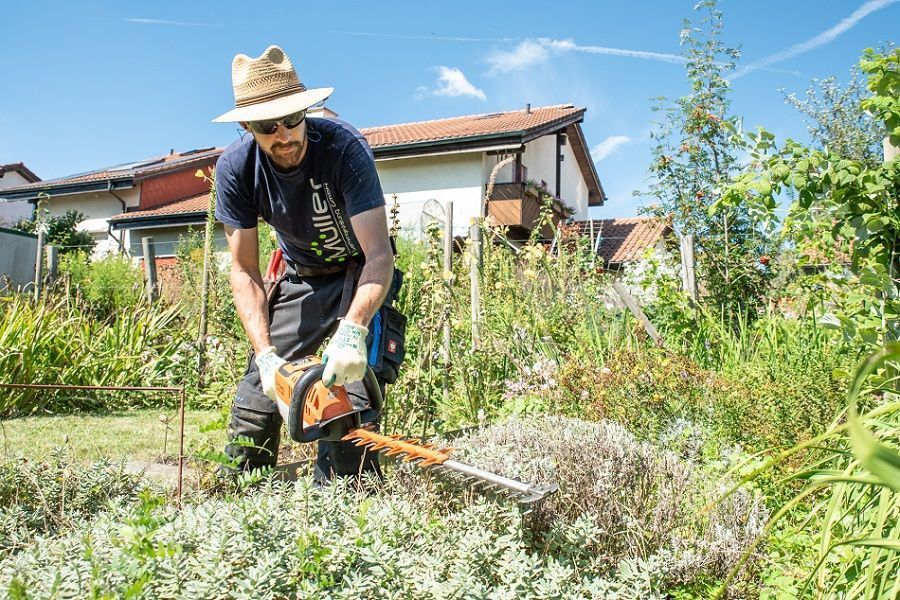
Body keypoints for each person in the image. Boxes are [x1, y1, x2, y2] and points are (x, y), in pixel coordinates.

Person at [211, 45, 395, 481]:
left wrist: (352, 330)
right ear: (246, 126)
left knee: (344, 410)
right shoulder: (236, 170)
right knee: (256, 403)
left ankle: (352, 520)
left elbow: (379, 255)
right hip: (299, 278)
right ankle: (244, 515)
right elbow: (244, 270)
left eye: (293, 119)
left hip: (357, 273)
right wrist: (266, 357)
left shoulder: (343, 148)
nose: (285, 135)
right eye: (267, 126)